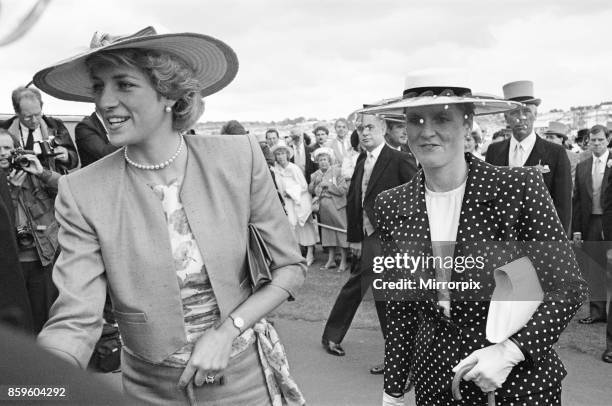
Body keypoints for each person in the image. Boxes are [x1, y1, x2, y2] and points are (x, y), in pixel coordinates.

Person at [33, 27, 306, 405]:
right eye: (98, 87)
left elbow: (290, 267)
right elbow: (75, 318)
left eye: (124, 85)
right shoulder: (81, 191)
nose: (105, 102)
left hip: (243, 383)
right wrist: (39, 385)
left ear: (168, 93)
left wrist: (228, 329)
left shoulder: (238, 158)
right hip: (150, 390)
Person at [363, 74, 588, 406]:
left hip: (516, 384)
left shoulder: (518, 187)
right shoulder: (391, 205)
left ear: (467, 123)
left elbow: (568, 286)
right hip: (435, 383)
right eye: (416, 120)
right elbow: (401, 307)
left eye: (442, 117)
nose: (427, 130)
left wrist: (511, 352)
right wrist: (393, 390)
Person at [321, 112, 417, 376]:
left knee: (382, 294)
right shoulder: (363, 158)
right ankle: (335, 336)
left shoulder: (401, 159)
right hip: (368, 236)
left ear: (384, 128)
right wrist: (355, 237)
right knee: (367, 288)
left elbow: (416, 202)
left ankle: (397, 358)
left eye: (370, 127)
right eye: (361, 128)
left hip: (392, 240)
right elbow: (356, 200)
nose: (364, 132)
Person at [486, 80, 572, 234]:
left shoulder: (556, 153)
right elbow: (488, 200)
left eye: (526, 111)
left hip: (541, 240)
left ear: (535, 114)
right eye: (514, 112)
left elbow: (563, 205)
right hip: (503, 242)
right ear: (506, 118)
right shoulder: (494, 151)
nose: (521, 117)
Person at [0, 129, 60, 334]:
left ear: (16, 150)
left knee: (45, 319)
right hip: (11, 267)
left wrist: (41, 171)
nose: (2, 153)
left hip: (40, 259)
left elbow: (69, 190)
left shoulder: (33, 174)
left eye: (7, 148)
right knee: (20, 326)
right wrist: (12, 193)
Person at [572, 124, 611, 327]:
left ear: (607, 140)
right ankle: (597, 313)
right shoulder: (583, 166)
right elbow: (577, 200)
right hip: (591, 223)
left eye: (600, 140)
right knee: (594, 269)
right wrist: (577, 229)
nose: (596, 144)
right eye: (593, 140)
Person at [1, 86, 78, 173]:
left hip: (51, 181)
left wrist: (67, 157)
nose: (34, 121)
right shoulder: (4, 130)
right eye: (28, 117)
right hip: (19, 182)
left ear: (42, 107)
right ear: (17, 112)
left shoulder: (55, 126)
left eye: (37, 114)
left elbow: (75, 162)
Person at [272, 142, 318, 266]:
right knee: (292, 225)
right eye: (278, 154)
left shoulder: (293, 168)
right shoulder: (276, 170)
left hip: (300, 200)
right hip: (288, 202)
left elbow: (303, 186)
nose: (280, 156)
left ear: (287, 155)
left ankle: (310, 252)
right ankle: (297, 253)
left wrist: (291, 192)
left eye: (282, 153)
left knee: (304, 225)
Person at [308, 147, 348, 272]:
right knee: (328, 233)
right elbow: (310, 191)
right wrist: (314, 184)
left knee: (341, 232)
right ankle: (330, 260)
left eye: (325, 159)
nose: (323, 162)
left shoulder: (338, 171)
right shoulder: (315, 175)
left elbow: (343, 190)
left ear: (329, 160)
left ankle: (344, 260)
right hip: (323, 208)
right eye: (320, 160)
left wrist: (329, 186)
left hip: (337, 207)